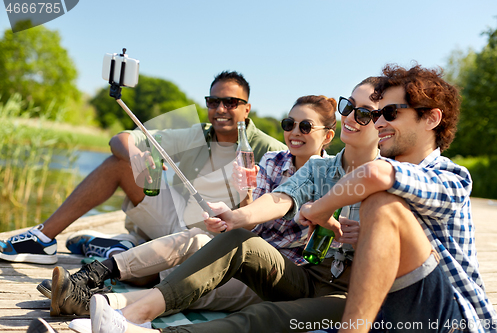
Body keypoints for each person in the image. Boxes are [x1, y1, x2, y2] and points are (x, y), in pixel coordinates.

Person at [74, 77, 382, 333]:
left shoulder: (390, 177)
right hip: (284, 269)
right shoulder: (311, 169)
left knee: (250, 310)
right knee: (218, 242)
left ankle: (118, 309)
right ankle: (110, 295)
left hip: (326, 279)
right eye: (349, 106)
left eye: (364, 113)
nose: (294, 132)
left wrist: (365, 234)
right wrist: (236, 213)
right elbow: (277, 200)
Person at [47, 94, 337, 318]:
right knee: (197, 239)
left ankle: (96, 304)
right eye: (289, 124)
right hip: (244, 252)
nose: (294, 132)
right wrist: (242, 196)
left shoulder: (330, 176)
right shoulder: (275, 160)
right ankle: (91, 276)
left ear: (327, 136)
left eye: (305, 126)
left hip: (279, 274)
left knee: (197, 283)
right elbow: (251, 221)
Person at [0, 72, 285, 262]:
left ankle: (123, 248)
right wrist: (136, 154)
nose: (220, 109)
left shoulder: (270, 149)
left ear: (247, 109)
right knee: (120, 163)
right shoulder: (195, 133)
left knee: (148, 277)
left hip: (219, 238)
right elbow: (119, 138)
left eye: (231, 102)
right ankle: (44, 239)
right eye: (213, 101)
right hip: (176, 220)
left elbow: (290, 197)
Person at [298, 64, 497, 332]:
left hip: (452, 320)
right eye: (378, 114)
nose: (378, 122)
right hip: (395, 317)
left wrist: (318, 210)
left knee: (381, 202)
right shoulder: (386, 177)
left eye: (390, 113)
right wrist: (366, 236)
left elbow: (375, 173)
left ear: (431, 118)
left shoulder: (452, 178)